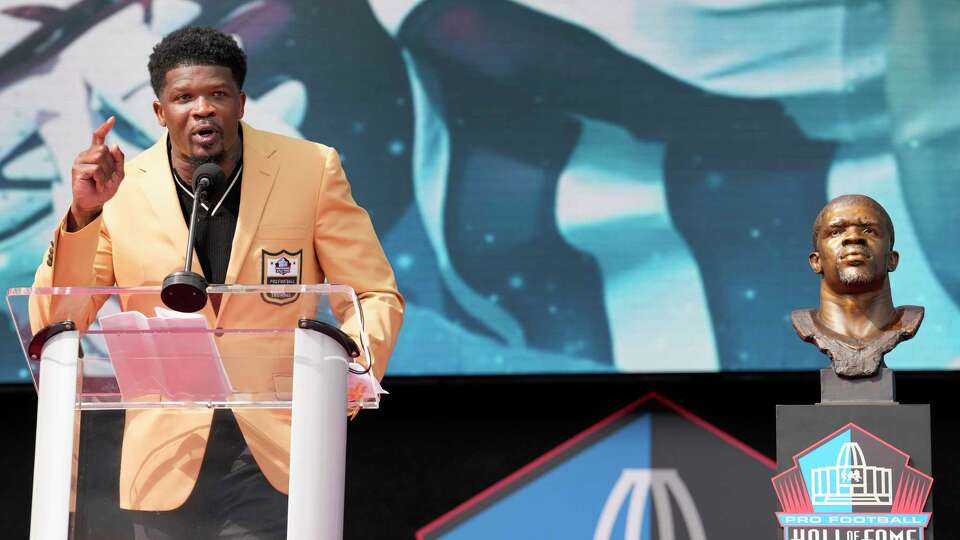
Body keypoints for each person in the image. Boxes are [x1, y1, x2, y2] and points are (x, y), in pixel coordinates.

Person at [31, 26, 404, 538]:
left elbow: (372, 293)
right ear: (160, 113)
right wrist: (82, 214)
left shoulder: (311, 169)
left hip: (276, 448)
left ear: (242, 103)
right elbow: (57, 320)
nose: (202, 109)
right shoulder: (119, 192)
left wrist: (349, 380)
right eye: (184, 97)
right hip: (165, 457)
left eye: (218, 94)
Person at [791, 195, 922, 377]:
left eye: (869, 231)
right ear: (816, 262)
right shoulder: (805, 323)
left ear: (892, 260)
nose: (853, 237)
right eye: (836, 232)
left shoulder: (909, 320)